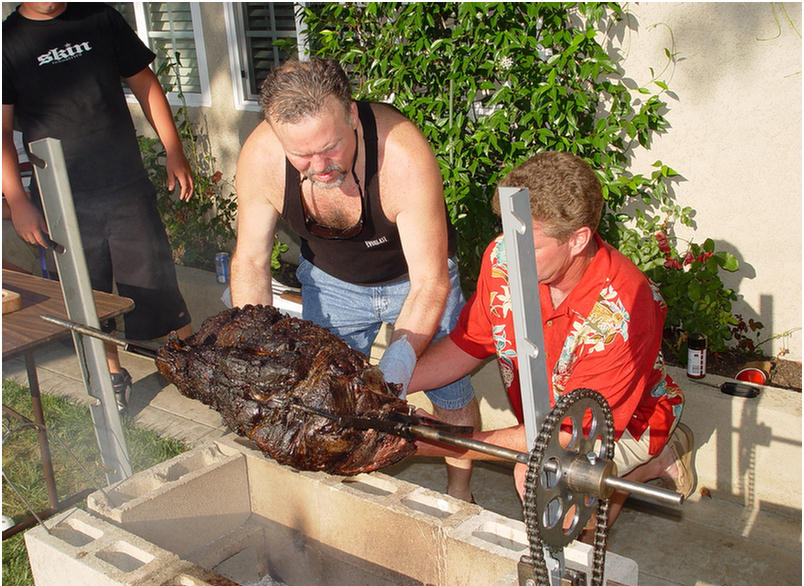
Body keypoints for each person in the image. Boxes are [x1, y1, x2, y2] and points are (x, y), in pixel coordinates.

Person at [231, 56, 479, 498]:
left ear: (350, 114)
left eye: (331, 148)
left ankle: (461, 488)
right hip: (332, 282)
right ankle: (343, 489)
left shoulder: (401, 152)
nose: (320, 165)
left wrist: (400, 364)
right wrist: (259, 348)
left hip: (414, 280)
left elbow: (431, 282)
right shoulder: (262, 158)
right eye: (302, 155)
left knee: (451, 394)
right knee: (324, 399)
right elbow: (250, 262)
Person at [408, 151, 695, 530]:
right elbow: (469, 344)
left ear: (577, 240)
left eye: (527, 244)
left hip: (626, 421)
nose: (507, 253)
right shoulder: (503, 258)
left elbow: (566, 433)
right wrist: (390, 380)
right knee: (537, 473)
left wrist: (455, 442)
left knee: (554, 500)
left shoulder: (620, 313)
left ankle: (645, 464)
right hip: (553, 418)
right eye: (507, 235)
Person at [2, 2, 194, 408]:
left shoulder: (98, 17)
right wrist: (17, 198)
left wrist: (173, 149)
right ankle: (112, 377)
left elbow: (144, 84)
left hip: (125, 183)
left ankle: (193, 362)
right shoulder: (8, 42)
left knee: (155, 276)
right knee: (87, 294)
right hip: (60, 197)